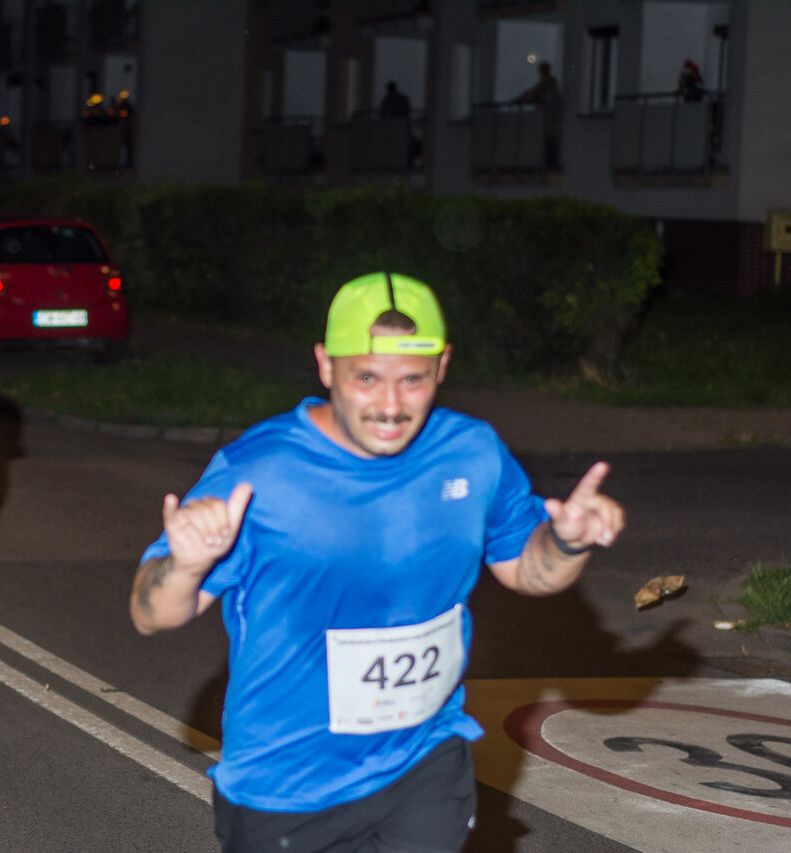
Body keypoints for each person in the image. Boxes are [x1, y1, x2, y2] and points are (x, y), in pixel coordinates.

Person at [129, 272, 625, 853]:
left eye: (412, 380)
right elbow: (149, 614)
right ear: (325, 365)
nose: (390, 405)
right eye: (366, 378)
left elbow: (525, 571)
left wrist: (565, 543)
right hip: (286, 786)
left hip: (423, 761)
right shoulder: (259, 469)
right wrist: (187, 565)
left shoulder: (472, 451)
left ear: (442, 366)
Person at [513, 61, 563, 169]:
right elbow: (533, 93)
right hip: (548, 117)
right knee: (548, 140)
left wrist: (517, 101)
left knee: (550, 141)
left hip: (550, 117)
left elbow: (532, 92)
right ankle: (548, 163)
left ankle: (550, 165)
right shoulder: (547, 85)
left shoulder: (548, 84)